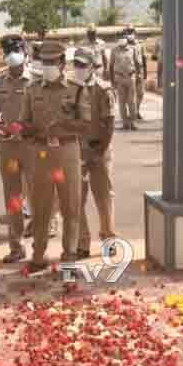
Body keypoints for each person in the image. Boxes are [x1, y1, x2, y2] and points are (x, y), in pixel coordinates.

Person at [19, 40, 91, 273]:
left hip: (67, 151)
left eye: (52, 62)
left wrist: (63, 125)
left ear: (61, 63)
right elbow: (24, 122)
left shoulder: (76, 88)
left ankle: (69, 256)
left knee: (71, 206)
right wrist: (29, 130)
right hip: (40, 153)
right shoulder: (32, 90)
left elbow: (86, 124)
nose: (48, 66)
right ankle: (38, 256)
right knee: (40, 207)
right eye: (44, 62)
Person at [0, 34, 35, 264]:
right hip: (8, 148)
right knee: (13, 198)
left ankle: (40, 245)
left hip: (33, 146)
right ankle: (16, 247)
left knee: (40, 196)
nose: (12, 55)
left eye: (16, 50)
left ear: (25, 52)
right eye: (7, 52)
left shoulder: (36, 80)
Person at [73, 47, 117, 259]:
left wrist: (100, 150)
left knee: (103, 198)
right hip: (76, 151)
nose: (78, 68)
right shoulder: (70, 88)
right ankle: (82, 242)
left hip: (98, 148)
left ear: (92, 65)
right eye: (76, 64)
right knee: (76, 199)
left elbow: (109, 124)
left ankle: (108, 239)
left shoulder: (103, 89)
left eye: (82, 64)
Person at [108, 28, 146, 128]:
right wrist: (112, 81)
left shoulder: (132, 49)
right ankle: (125, 123)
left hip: (131, 77)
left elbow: (137, 63)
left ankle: (132, 122)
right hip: (119, 78)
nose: (121, 39)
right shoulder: (114, 50)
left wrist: (139, 76)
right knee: (122, 102)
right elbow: (111, 66)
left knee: (131, 101)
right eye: (119, 37)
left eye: (123, 37)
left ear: (126, 38)